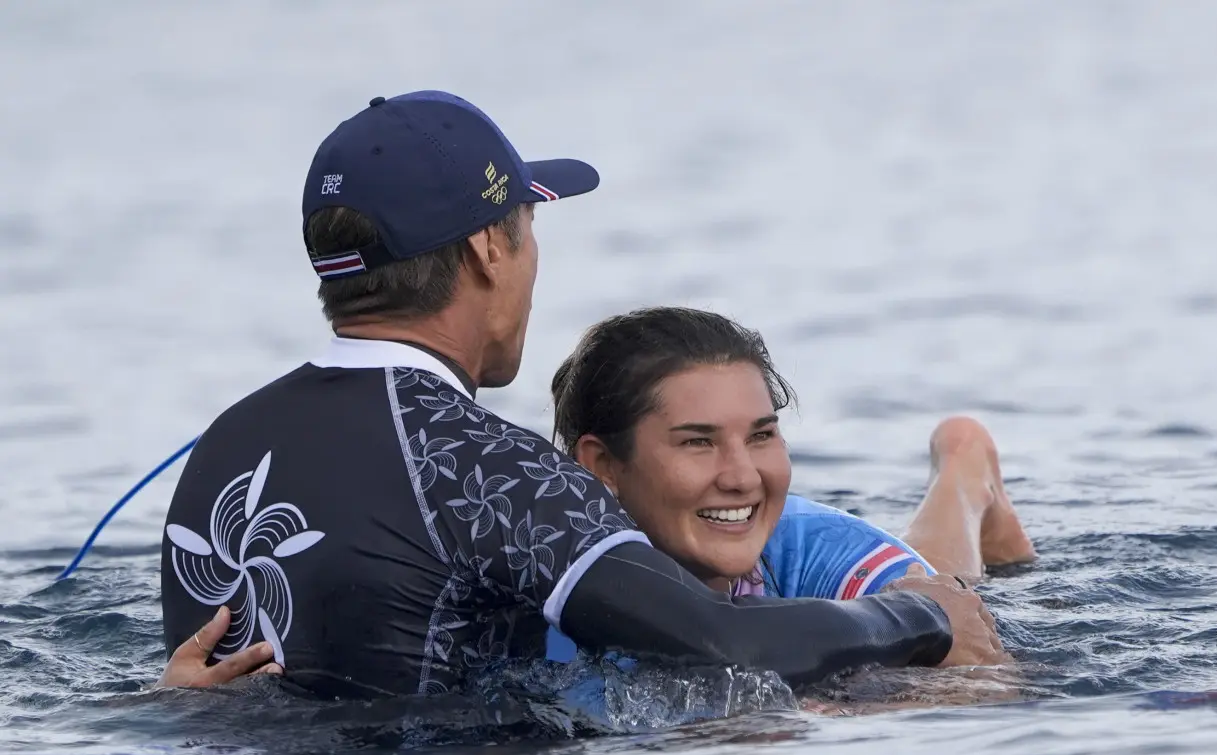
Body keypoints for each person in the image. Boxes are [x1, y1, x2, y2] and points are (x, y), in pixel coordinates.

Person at [157, 91, 1000, 698]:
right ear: (490, 247)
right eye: (531, 230)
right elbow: (721, 645)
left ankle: (964, 480)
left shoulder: (226, 445)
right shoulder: (487, 468)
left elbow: (219, 707)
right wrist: (913, 621)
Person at [542, 307, 1032, 662]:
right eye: (697, 442)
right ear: (601, 464)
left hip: (813, 559)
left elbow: (982, 678)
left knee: (944, 579)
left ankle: (964, 472)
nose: (743, 477)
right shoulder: (542, 572)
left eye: (761, 435)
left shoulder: (811, 547)